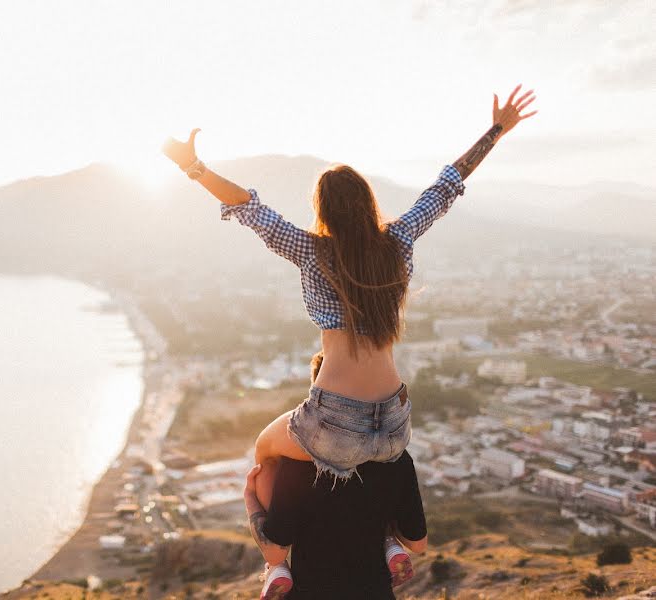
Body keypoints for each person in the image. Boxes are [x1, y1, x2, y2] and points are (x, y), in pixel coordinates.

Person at [163, 85, 537, 597]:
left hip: (333, 416)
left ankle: (277, 565)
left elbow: (250, 208)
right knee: (374, 476)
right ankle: (390, 544)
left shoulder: (310, 250)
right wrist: (496, 130)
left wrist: (195, 168)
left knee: (264, 453)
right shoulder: (399, 242)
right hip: (395, 421)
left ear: (325, 210)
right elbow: (445, 187)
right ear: (367, 205)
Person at [242, 450, 428, 599]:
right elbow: (418, 544)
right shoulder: (397, 459)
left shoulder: (295, 463)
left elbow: (275, 552)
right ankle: (389, 542)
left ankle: (277, 570)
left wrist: (250, 497)